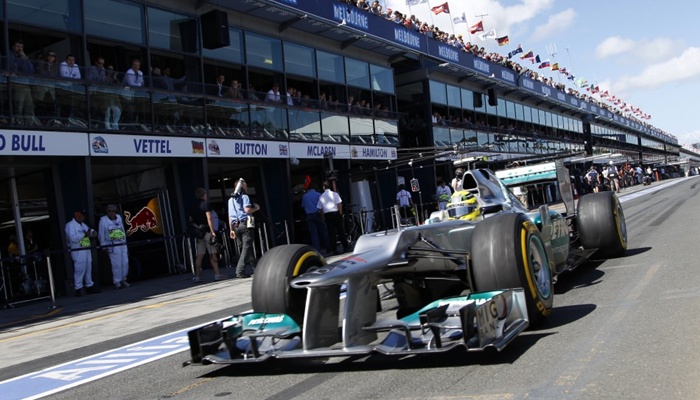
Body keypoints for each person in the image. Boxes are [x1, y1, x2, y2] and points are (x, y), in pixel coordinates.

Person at [190, 188, 226, 282]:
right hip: (206, 231)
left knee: (199, 255)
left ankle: (197, 276)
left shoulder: (192, 206)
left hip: (198, 233)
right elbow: (209, 218)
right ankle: (217, 274)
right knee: (212, 253)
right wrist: (212, 231)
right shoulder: (206, 204)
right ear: (204, 195)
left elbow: (191, 220)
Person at [228, 178, 260, 278]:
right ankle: (239, 271)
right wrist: (256, 208)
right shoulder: (244, 197)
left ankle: (256, 268)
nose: (247, 188)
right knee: (246, 248)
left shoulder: (230, 200)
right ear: (242, 187)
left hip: (236, 226)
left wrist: (231, 230)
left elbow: (230, 216)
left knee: (246, 248)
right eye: (245, 186)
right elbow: (247, 210)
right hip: (246, 223)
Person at [65, 210, 97, 297]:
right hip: (78, 250)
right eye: (81, 216)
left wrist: (92, 233)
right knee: (79, 269)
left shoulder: (83, 225)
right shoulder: (70, 225)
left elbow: (90, 232)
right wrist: (84, 234)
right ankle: (78, 289)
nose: (83, 218)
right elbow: (73, 238)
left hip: (86, 248)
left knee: (88, 268)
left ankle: (89, 287)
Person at [98, 204, 130, 290]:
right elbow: (101, 234)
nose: (111, 213)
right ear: (107, 212)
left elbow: (122, 229)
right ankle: (117, 282)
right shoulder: (103, 220)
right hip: (113, 245)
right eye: (109, 211)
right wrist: (103, 246)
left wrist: (125, 236)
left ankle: (124, 279)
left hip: (122, 243)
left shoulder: (119, 218)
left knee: (125, 262)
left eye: (113, 211)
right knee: (117, 264)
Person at [8, 40, 37, 125]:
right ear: (13, 47)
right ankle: (18, 120)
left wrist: (24, 58)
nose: (19, 49)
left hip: (24, 84)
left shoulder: (23, 56)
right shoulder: (9, 54)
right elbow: (11, 67)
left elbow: (30, 71)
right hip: (15, 83)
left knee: (29, 104)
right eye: (17, 46)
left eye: (21, 47)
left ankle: (29, 121)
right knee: (19, 102)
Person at [317, 180, 349, 255]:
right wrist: (340, 213)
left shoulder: (321, 196)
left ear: (324, 187)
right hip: (335, 212)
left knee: (331, 233)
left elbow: (320, 208)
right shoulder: (334, 194)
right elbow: (339, 204)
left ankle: (334, 249)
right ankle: (345, 246)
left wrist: (323, 217)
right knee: (340, 230)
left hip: (327, 214)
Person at [301, 183, 330, 253]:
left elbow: (303, 206)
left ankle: (317, 250)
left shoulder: (304, 196)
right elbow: (322, 205)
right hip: (318, 214)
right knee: (323, 231)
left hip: (309, 216)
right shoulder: (318, 194)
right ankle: (328, 247)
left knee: (314, 234)